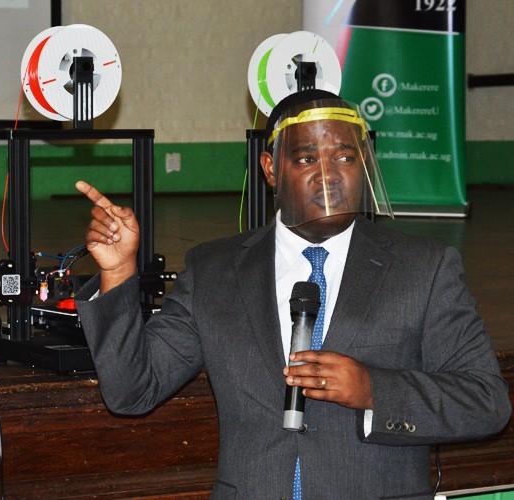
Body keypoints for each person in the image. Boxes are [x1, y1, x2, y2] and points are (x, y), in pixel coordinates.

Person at [73, 89, 511, 499]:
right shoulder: (215, 271)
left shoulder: (424, 269)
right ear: (270, 170)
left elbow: (486, 402)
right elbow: (132, 391)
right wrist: (118, 272)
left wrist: (375, 390)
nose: (329, 176)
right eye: (306, 159)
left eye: (344, 156)